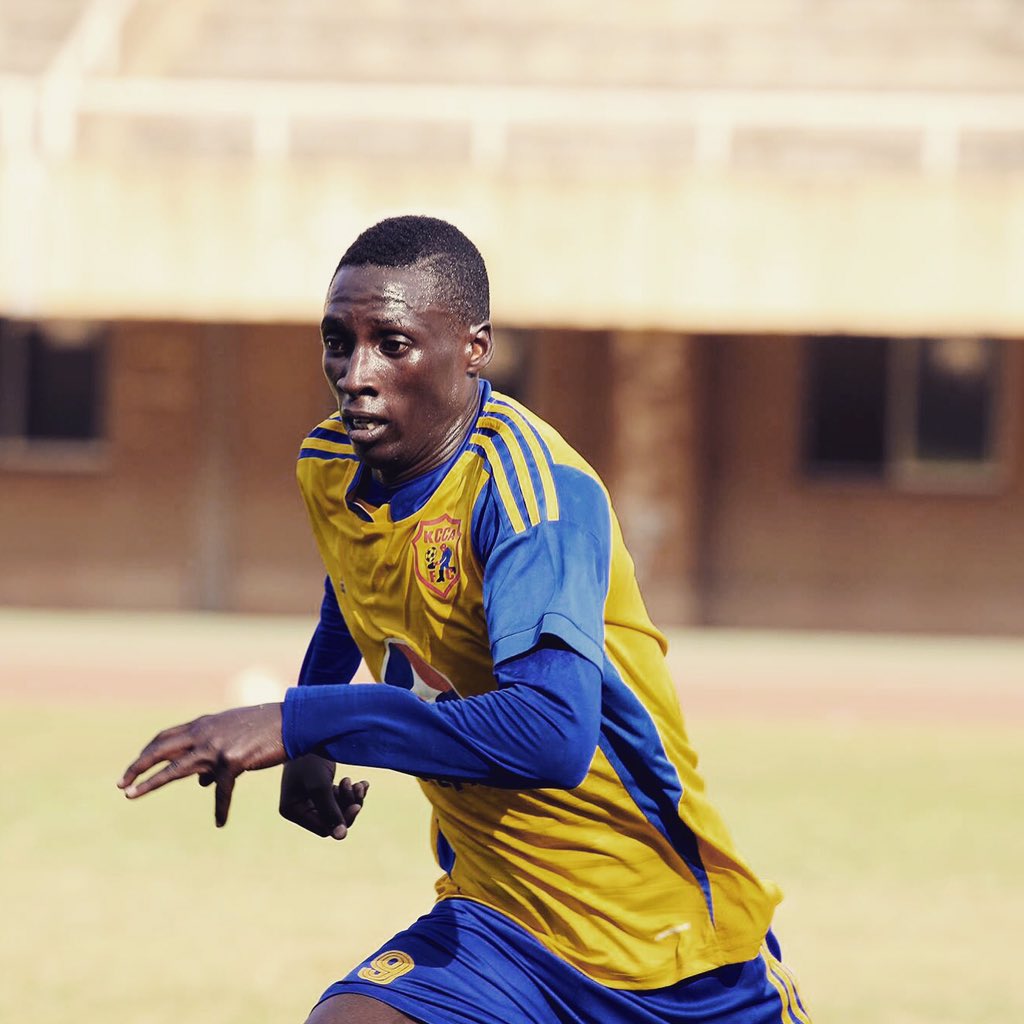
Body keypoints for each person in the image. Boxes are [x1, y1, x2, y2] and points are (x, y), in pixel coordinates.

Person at [119, 215, 812, 1024]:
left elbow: (551, 736)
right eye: (338, 342)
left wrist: (301, 720)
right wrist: (310, 750)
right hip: (499, 931)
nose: (355, 374)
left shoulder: (530, 495)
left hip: (673, 954)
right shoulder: (331, 464)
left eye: (393, 344)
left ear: (474, 348)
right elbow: (354, 586)